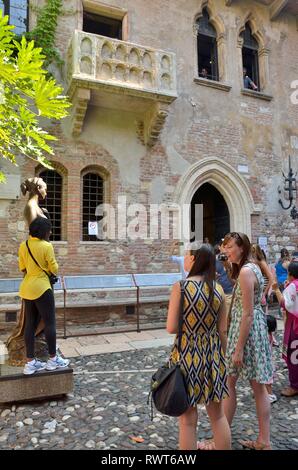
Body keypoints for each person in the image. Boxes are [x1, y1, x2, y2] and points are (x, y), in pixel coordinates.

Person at [199, 233, 272, 450]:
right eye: (224, 246)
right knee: (258, 388)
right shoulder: (252, 267)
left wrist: (238, 348)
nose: (225, 251)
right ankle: (263, 441)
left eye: (229, 247)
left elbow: (247, 313)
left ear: (241, 247)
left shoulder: (246, 272)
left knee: (230, 384)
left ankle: (220, 438)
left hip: (245, 331)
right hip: (253, 329)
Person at [167, 243, 231, 450]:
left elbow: (171, 327)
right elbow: (222, 330)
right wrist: (224, 357)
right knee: (218, 415)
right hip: (213, 354)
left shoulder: (182, 287)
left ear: (194, 260)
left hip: (187, 354)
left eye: (186, 255)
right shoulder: (218, 288)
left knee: (187, 419)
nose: (184, 259)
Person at [19, 217, 69, 375]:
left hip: (27, 287)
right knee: (50, 323)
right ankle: (53, 360)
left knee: (30, 325)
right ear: (44, 232)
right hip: (42, 288)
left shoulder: (23, 245)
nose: (51, 232)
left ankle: (30, 362)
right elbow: (54, 269)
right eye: (49, 230)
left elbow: (22, 267)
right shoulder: (47, 246)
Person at [272, 262, 298, 397]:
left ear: (291, 274)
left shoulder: (293, 286)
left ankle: (295, 385)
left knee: (293, 354)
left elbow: (286, 304)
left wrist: (276, 289)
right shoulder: (293, 285)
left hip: (294, 325)